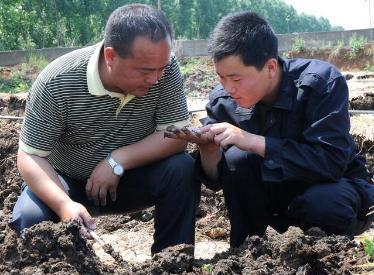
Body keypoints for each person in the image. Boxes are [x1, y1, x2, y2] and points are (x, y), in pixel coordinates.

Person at [166, 11, 374, 248]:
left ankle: (328, 258)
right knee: (236, 158)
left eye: (236, 78)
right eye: (221, 77)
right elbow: (218, 180)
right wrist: (208, 150)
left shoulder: (320, 84)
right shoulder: (222, 101)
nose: (228, 88)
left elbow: (331, 162)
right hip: (272, 202)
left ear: (271, 67)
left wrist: (253, 140)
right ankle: (246, 253)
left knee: (324, 204)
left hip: (332, 191)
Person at [11, 4, 198, 254]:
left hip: (130, 179)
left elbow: (176, 137)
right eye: (145, 71)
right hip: (67, 183)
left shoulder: (165, 69)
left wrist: (117, 161)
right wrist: (65, 205)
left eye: (160, 69)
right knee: (31, 218)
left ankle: (173, 262)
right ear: (111, 56)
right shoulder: (58, 81)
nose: (155, 79)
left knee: (182, 169)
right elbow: (30, 156)